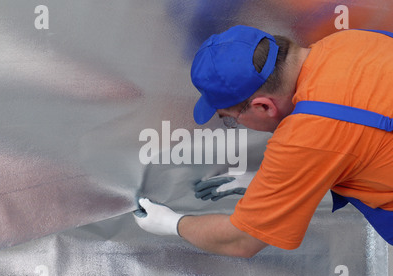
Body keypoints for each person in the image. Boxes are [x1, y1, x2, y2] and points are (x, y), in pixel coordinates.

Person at [134, 25, 393, 258]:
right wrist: (277, 185)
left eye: (231, 120)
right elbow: (357, 140)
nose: (236, 125)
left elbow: (241, 240)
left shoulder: (307, 133)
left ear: (263, 107)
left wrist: (172, 223)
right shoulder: (352, 41)